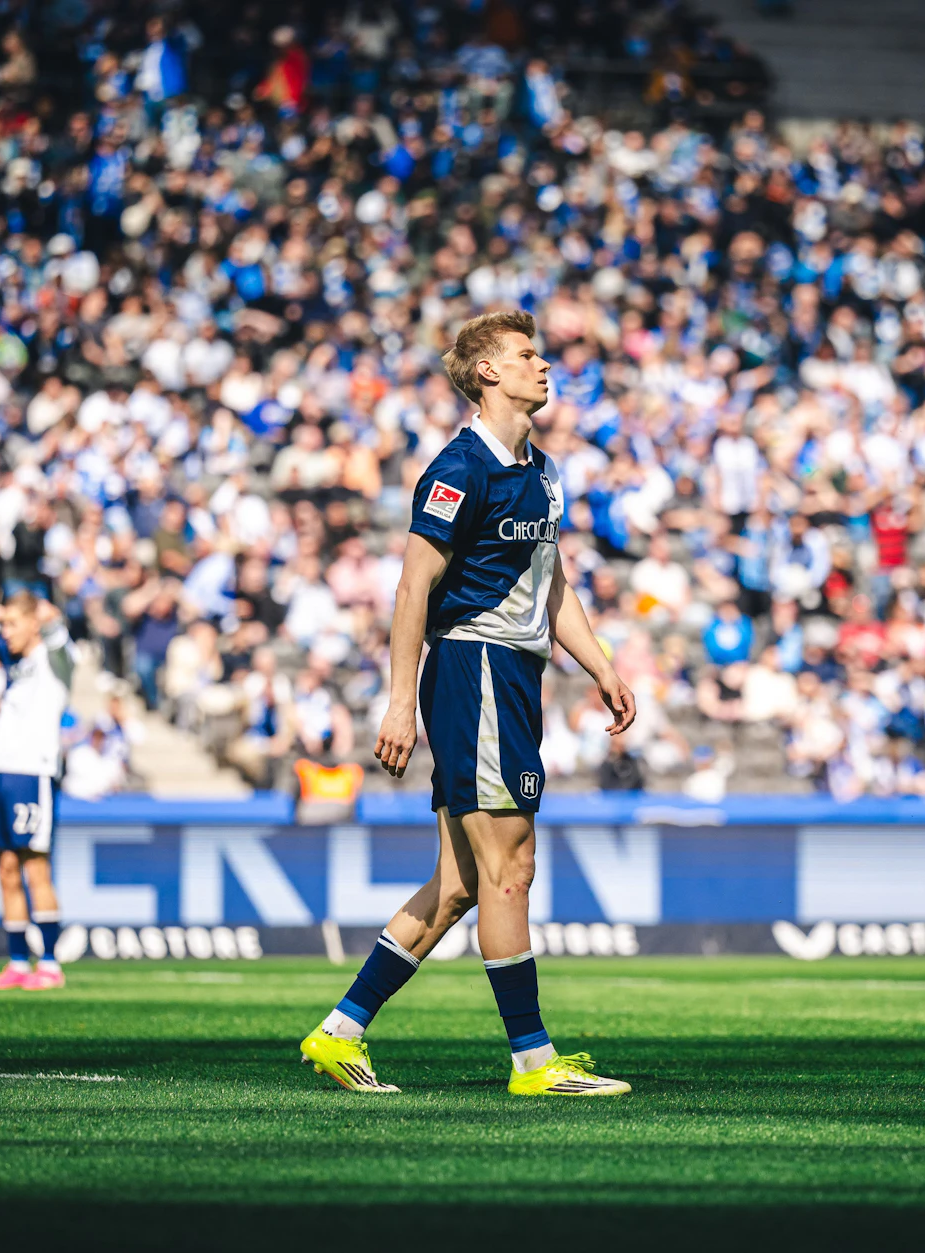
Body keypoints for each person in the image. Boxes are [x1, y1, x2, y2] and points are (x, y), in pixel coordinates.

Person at [299, 310, 638, 1096]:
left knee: (458, 883)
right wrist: (396, 704)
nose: (544, 365)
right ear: (488, 373)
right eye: (527, 355)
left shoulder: (543, 471)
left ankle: (339, 1030)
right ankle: (532, 1061)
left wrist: (603, 666)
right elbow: (413, 584)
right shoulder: (460, 466)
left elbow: (552, 584)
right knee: (510, 865)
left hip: (514, 675)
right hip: (473, 667)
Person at [0, 593, 74, 992]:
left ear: (33, 624)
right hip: (2, 773)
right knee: (6, 869)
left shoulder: (56, 658)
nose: (5, 632)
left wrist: (33, 615)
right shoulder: (16, 661)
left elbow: (55, 622)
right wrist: (6, 612)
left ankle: (49, 963)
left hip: (34, 772)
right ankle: (17, 961)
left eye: (14, 625)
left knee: (36, 868)